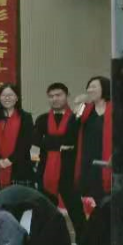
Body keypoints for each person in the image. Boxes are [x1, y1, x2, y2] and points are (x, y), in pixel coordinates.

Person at [34, 82, 81, 233]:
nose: (54, 99)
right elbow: (35, 140)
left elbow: (76, 141)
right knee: (43, 215)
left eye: (58, 95)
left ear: (67, 96)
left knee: (77, 214)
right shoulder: (42, 119)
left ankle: (84, 244)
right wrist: (61, 145)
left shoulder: (76, 118)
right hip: (45, 172)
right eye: (51, 96)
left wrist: (49, 141)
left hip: (69, 172)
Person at [75, 75, 113, 214]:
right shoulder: (86, 110)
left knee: (104, 201)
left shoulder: (115, 109)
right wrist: (79, 105)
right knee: (87, 201)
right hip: (87, 161)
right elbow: (73, 127)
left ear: (105, 88)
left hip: (106, 161)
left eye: (94, 86)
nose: (89, 90)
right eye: (88, 87)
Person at [0, 84, 33, 191]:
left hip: (20, 166)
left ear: (17, 98)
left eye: (10, 95)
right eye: (3, 95)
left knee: (20, 198)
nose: (7, 98)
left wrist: (10, 160)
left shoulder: (25, 117)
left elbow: (26, 142)